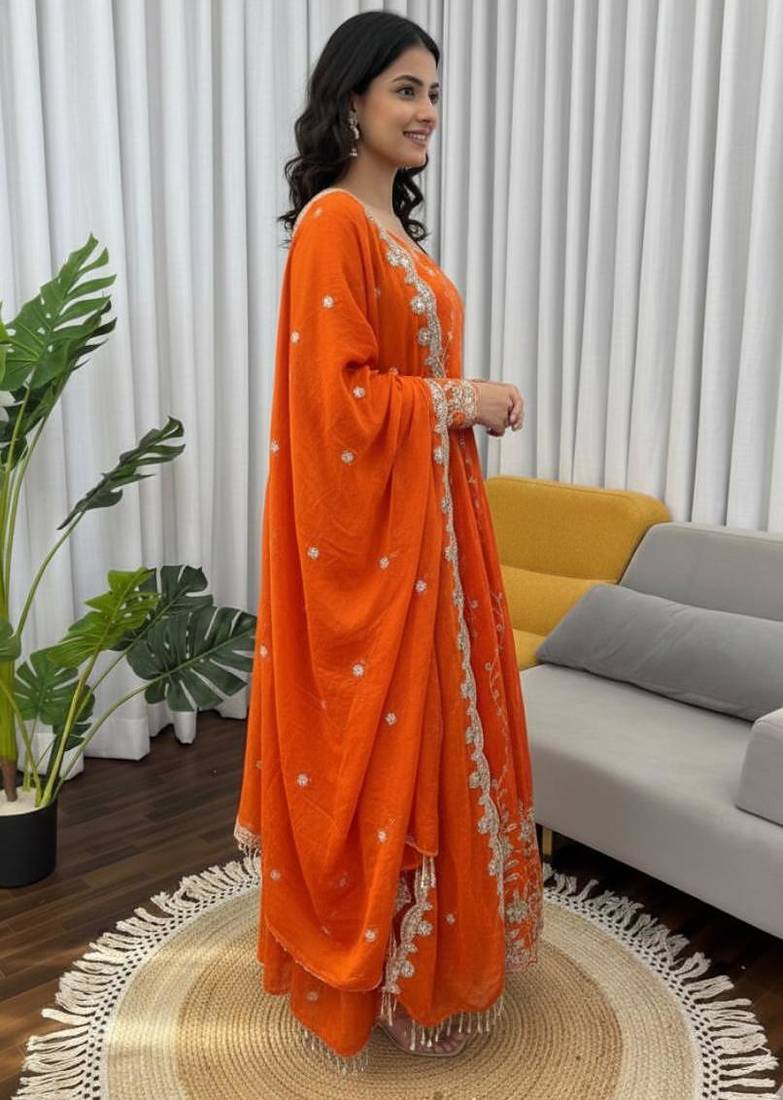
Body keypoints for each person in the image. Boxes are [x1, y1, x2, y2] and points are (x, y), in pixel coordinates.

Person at [234, 9, 544, 1074]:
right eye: (406, 90)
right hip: (393, 545)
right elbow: (340, 406)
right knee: (394, 749)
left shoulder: (394, 232)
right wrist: (464, 399)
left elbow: (391, 382)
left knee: (443, 743)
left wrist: (458, 402)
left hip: (439, 535)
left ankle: (428, 970)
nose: (427, 113)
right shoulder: (336, 222)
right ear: (352, 98)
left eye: (434, 94)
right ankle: (380, 970)